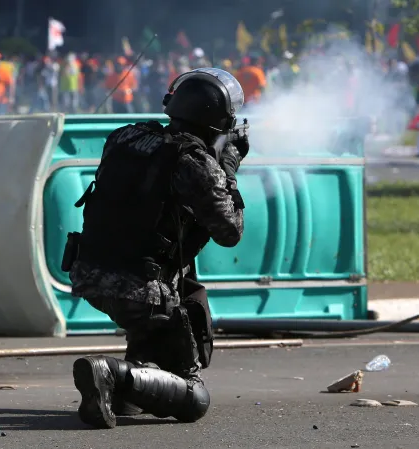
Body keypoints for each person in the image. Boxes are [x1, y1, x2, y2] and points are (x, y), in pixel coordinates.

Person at [63, 68, 249, 429]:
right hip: (140, 288)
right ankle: (111, 372)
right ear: (216, 122)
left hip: (90, 273)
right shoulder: (194, 163)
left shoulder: (124, 137)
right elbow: (230, 231)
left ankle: (119, 387)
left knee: (140, 393)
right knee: (194, 399)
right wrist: (229, 165)